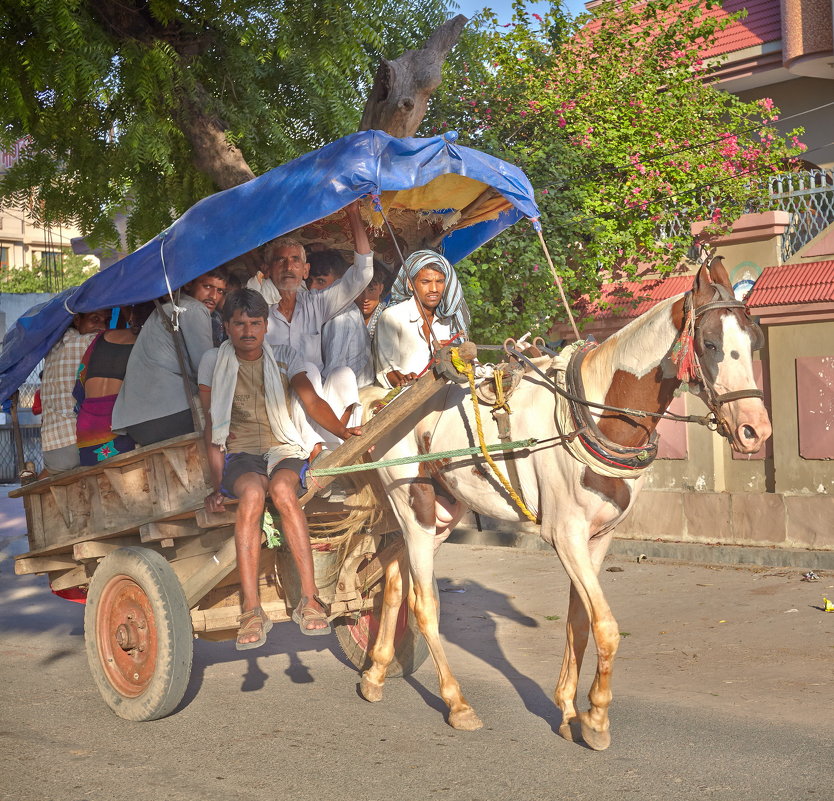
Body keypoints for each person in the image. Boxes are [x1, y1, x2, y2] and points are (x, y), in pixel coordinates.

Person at [198, 289, 361, 649]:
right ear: (226, 327)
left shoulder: (286, 356)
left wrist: (342, 431)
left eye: (255, 323)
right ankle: (251, 609)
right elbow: (212, 423)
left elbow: (313, 401)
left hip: (283, 447)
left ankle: (310, 598)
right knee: (253, 494)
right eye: (239, 323)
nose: (247, 331)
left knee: (284, 490)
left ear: (266, 326)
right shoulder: (213, 360)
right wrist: (214, 485)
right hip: (240, 454)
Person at [260, 200, 373, 445]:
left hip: (317, 405)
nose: (288, 266)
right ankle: (316, 449)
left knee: (343, 374)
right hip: (277, 404)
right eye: (280, 261)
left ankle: (343, 445)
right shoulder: (256, 312)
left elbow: (363, 273)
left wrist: (353, 212)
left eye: (295, 261)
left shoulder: (316, 303)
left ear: (305, 270)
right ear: (268, 270)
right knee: (306, 370)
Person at [112, 271, 224, 446]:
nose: (213, 296)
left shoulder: (167, 309)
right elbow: (206, 370)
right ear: (188, 285)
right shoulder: (194, 308)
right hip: (167, 415)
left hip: (136, 422)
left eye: (220, 291)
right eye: (207, 286)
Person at [373, 250, 470, 388]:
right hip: (402, 398)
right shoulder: (392, 317)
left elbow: (469, 365)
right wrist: (405, 380)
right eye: (426, 282)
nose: (434, 289)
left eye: (440, 281)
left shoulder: (450, 320)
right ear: (411, 285)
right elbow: (387, 369)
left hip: (446, 394)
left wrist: (453, 354)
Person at [73, 303, 155, 465]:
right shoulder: (146, 343)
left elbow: (79, 388)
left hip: (86, 428)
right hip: (116, 426)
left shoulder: (99, 338)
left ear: (130, 317)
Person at [40, 310, 109, 474]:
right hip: (79, 446)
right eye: (95, 319)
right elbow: (122, 339)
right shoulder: (89, 342)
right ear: (77, 320)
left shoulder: (54, 347)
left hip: (52, 451)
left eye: (106, 321)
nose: (101, 326)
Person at [306, 249, 373, 388]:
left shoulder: (340, 318)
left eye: (320, 281)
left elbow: (332, 374)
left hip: (350, 395)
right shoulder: (325, 311)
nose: (312, 287)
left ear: (339, 284)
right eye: (310, 281)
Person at [355, 262, 390, 345]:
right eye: (360, 291)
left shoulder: (388, 319)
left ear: (381, 289)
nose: (365, 298)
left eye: (371, 290)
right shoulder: (345, 318)